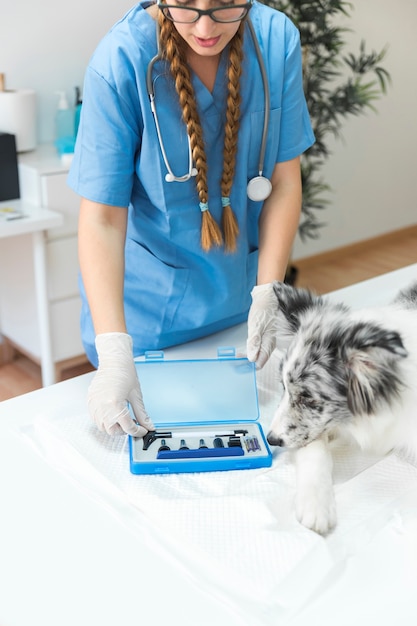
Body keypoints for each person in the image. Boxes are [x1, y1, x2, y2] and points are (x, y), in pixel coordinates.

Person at [68, 0, 315, 437]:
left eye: (224, 5)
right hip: (146, 327)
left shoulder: (276, 41)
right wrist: (114, 352)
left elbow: (284, 181)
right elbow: (102, 219)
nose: (204, 26)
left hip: (241, 317)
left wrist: (267, 291)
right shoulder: (121, 58)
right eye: (185, 5)